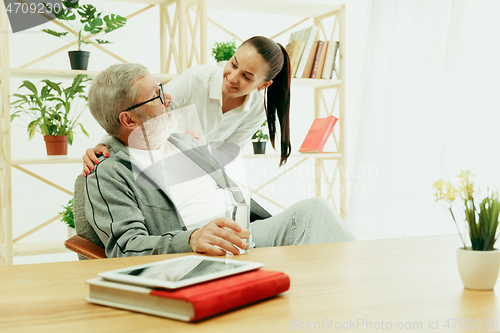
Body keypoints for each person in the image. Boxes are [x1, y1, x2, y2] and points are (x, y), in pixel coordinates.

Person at [84, 63, 354, 258]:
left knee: (314, 216)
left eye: (162, 88)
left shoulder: (183, 140)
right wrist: (191, 239)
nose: (168, 98)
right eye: (156, 96)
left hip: (245, 234)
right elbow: (125, 247)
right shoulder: (108, 171)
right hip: (202, 252)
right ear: (128, 119)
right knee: (314, 219)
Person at [82, 36, 292, 176]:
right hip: (159, 164)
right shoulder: (195, 80)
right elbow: (141, 111)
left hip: (197, 174)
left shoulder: (256, 110)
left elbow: (226, 157)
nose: (232, 77)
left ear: (264, 85)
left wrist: (199, 155)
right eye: (233, 63)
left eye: (246, 76)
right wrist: (105, 145)